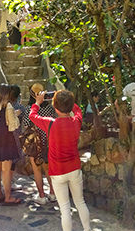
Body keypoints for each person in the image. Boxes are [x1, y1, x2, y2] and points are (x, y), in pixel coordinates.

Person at [29, 89, 91, 231]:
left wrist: (37, 103)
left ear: (54, 107)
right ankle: (87, 229)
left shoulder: (50, 123)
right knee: (80, 202)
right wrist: (66, 99)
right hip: (74, 168)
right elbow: (77, 110)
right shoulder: (77, 121)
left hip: (57, 172)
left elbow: (32, 116)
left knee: (65, 209)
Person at [22, 83, 56, 205]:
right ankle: (52, 193)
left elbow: (26, 125)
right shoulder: (49, 108)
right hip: (48, 141)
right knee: (48, 169)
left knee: (37, 170)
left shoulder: (29, 109)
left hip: (35, 142)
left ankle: (41, 196)